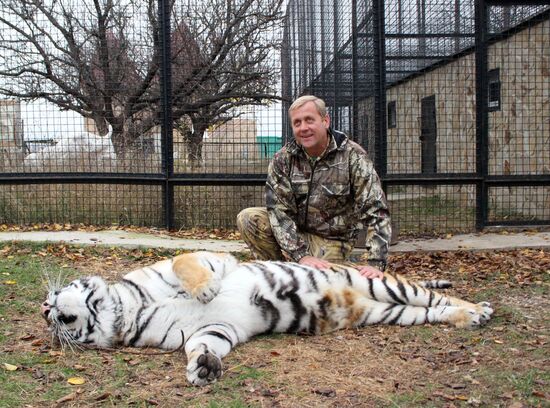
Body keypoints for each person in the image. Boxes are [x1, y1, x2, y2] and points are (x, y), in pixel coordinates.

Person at [237, 95, 391, 279]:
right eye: (297, 122)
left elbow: (376, 209)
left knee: (319, 281)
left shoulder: (353, 156)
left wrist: (376, 263)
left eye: (309, 120)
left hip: (333, 240)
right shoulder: (283, 159)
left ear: (325, 121)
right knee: (248, 218)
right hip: (296, 233)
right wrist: (302, 255)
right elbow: (278, 212)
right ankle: (278, 276)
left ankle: (304, 273)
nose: (303, 128)